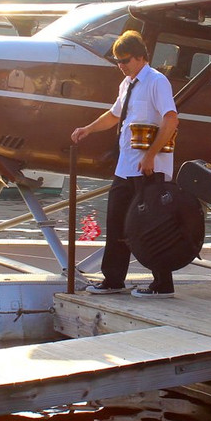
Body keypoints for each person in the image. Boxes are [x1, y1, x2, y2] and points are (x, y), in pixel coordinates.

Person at [71, 30, 179, 298]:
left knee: (153, 224)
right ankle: (113, 279)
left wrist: (151, 155)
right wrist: (89, 128)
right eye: (118, 61)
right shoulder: (127, 84)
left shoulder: (157, 81)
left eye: (126, 60)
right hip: (126, 167)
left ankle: (162, 283)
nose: (121, 65)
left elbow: (171, 118)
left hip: (149, 169)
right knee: (116, 222)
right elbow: (114, 114)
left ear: (141, 57)